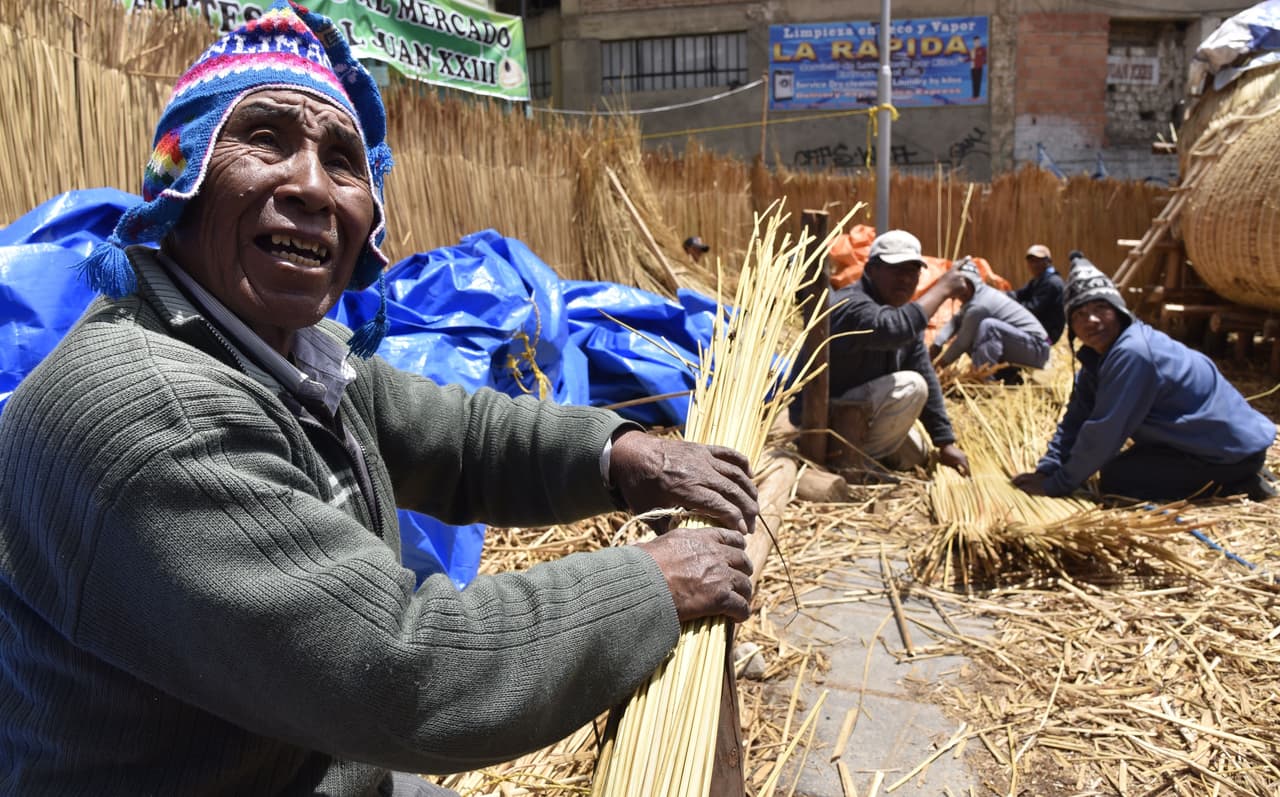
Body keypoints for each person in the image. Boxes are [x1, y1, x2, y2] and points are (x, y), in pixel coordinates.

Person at [0, 4, 760, 795]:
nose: (310, 186)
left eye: (342, 161)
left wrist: (621, 453)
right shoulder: (154, 412)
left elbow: (458, 435)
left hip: (300, 760)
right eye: (264, 139)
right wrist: (651, 583)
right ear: (180, 181)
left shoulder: (285, 352)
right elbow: (405, 669)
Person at [1012, 256, 1277, 502]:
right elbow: (1076, 418)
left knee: (1118, 477)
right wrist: (1048, 469)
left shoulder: (1133, 353)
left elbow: (1103, 432)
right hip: (1209, 443)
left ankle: (1236, 483)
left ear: (1118, 311)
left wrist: (1057, 486)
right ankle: (1231, 473)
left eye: (1100, 308)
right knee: (1122, 466)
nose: (1090, 320)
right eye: (1079, 314)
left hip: (1231, 452)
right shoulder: (1097, 358)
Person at [826, 229, 971, 476]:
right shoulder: (850, 304)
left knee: (917, 455)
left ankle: (868, 456)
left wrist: (945, 442)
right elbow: (891, 328)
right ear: (871, 270)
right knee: (912, 387)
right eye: (897, 270)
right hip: (827, 422)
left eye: (912, 271)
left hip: (865, 414)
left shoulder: (901, 316)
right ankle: (853, 465)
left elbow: (925, 371)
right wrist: (943, 288)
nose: (906, 279)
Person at [929, 258, 1050, 378]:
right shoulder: (976, 297)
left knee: (988, 327)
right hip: (1026, 344)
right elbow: (957, 320)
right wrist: (937, 343)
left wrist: (935, 368)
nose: (960, 291)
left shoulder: (979, 305)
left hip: (1037, 348)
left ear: (974, 283)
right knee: (975, 335)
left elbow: (962, 343)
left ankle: (985, 379)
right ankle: (1005, 375)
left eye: (965, 285)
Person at [1007, 244, 1066, 344]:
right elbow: (1019, 294)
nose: (1034, 264)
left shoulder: (1051, 283)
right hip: (1038, 328)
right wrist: (1001, 295)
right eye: (1031, 261)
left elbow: (1033, 309)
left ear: (1048, 262)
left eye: (1038, 261)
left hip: (1046, 335)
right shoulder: (1039, 280)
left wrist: (1009, 307)